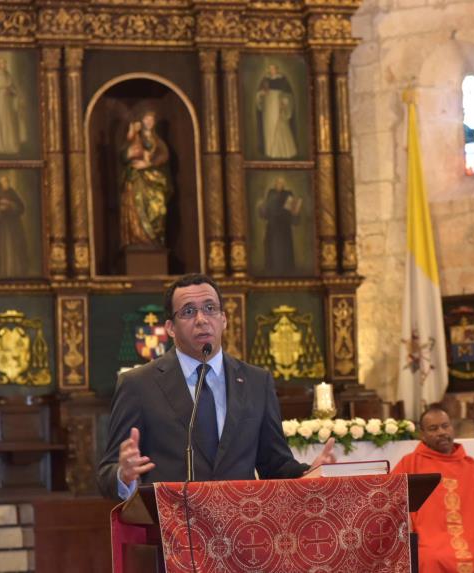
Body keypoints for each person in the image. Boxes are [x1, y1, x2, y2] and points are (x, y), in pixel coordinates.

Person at [96, 273, 334, 500]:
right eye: (188, 312)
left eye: (210, 308)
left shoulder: (256, 382)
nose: (201, 319)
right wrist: (123, 475)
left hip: (241, 530)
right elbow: (106, 475)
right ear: (170, 327)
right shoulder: (138, 385)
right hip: (173, 533)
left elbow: (275, 463)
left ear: (224, 319)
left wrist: (308, 474)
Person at [392, 404, 474, 573]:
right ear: (423, 435)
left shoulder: (469, 464)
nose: (442, 432)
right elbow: (392, 496)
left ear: (452, 428)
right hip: (431, 540)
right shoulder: (410, 463)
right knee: (430, 560)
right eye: (433, 428)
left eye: (445, 426)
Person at [119, 111, 173, 248]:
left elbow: (164, 155)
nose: (149, 121)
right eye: (146, 118)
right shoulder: (135, 138)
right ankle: (138, 238)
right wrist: (130, 151)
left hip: (154, 180)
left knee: (158, 209)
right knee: (137, 205)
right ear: (141, 121)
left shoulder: (158, 141)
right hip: (137, 179)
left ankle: (155, 238)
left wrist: (150, 163)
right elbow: (124, 155)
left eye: (151, 119)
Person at [0, 174, 29, 277]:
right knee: (4, 250)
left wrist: (10, 205)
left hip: (15, 226)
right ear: (0, 184)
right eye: (4, 182)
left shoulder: (13, 193)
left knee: (16, 249)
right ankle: (4, 274)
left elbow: (21, 208)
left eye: (7, 181)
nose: (6, 184)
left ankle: (18, 273)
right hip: (3, 228)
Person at [257, 176, 301, 274]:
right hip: (272, 226)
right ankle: (271, 268)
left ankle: (287, 268)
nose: (279, 185)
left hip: (284, 227)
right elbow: (266, 213)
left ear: (283, 185)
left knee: (284, 247)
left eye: (281, 183)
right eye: (277, 183)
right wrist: (261, 208)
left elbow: (290, 211)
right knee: (271, 246)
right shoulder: (271, 194)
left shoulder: (288, 194)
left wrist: (295, 211)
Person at [256, 63, 297, 158]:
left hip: (277, 103)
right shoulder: (265, 79)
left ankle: (279, 152)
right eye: (270, 69)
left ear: (277, 69)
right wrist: (261, 93)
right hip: (268, 105)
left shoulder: (282, 79)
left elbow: (288, 94)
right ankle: (270, 151)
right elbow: (260, 93)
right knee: (269, 126)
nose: (271, 70)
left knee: (279, 124)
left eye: (273, 68)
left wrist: (284, 102)